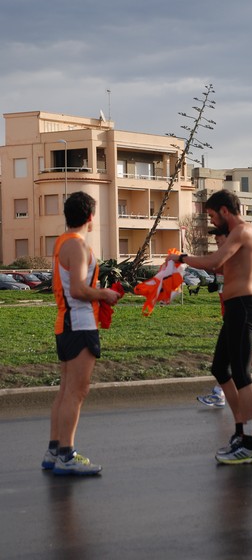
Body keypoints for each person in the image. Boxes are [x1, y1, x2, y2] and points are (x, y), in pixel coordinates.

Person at [166, 189, 252, 465]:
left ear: (224, 211)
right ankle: (240, 431)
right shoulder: (237, 236)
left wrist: (182, 259)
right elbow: (222, 268)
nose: (212, 221)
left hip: (244, 306)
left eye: (211, 215)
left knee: (242, 374)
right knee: (220, 368)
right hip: (236, 307)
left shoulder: (242, 232)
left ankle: (250, 442)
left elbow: (215, 261)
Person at [41, 191, 121, 475]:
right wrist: (105, 294)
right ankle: (66, 454)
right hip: (79, 323)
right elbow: (77, 289)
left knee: (65, 392)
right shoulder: (77, 246)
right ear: (90, 216)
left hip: (67, 323)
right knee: (76, 392)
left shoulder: (63, 242)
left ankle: (55, 451)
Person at [197, 227, 252, 408]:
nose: (217, 242)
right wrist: (215, 285)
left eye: (219, 238)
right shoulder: (224, 255)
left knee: (235, 349)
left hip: (241, 308)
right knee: (243, 349)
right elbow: (222, 276)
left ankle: (220, 394)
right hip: (229, 307)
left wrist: (250, 291)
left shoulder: (240, 254)